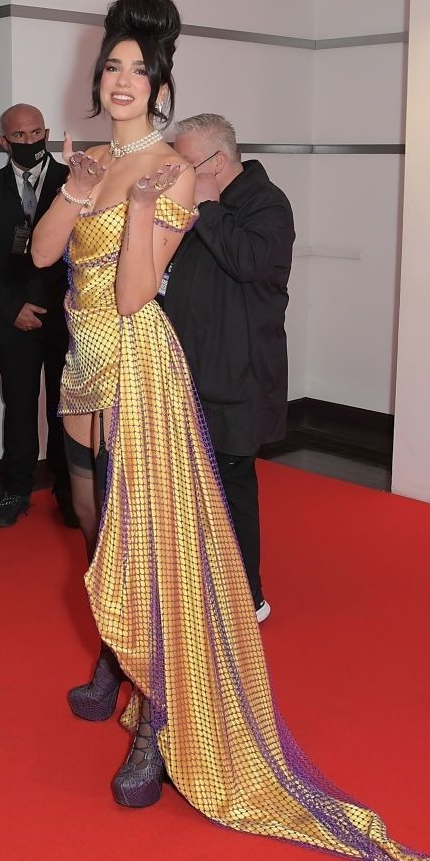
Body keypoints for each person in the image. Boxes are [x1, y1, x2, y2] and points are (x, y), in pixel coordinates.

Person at [31, 0, 430, 861]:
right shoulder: (95, 156)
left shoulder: (171, 171)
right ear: (97, 77)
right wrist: (75, 188)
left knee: (148, 546)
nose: (122, 80)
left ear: (162, 86)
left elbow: (135, 295)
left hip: (136, 364)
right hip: (80, 362)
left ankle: (158, 721)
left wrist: (136, 209)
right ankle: (116, 650)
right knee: (95, 526)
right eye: (112, 66)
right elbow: (40, 255)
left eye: (140, 70)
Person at [160, 113, 294, 624]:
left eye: (185, 162)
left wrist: (209, 208)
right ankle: (206, 585)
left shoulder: (266, 203)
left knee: (231, 484)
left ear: (216, 162)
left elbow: (248, 262)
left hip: (239, 374)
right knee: (196, 486)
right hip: (195, 366)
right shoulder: (200, 202)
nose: (178, 171)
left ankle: (247, 597)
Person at [0, 104, 77, 528]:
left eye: (35, 133)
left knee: (66, 411)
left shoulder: (74, 182)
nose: (29, 142)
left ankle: (69, 494)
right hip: (12, 319)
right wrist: (12, 309)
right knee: (19, 408)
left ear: (46, 133)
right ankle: (15, 490)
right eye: (19, 136)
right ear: (3, 141)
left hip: (68, 318)